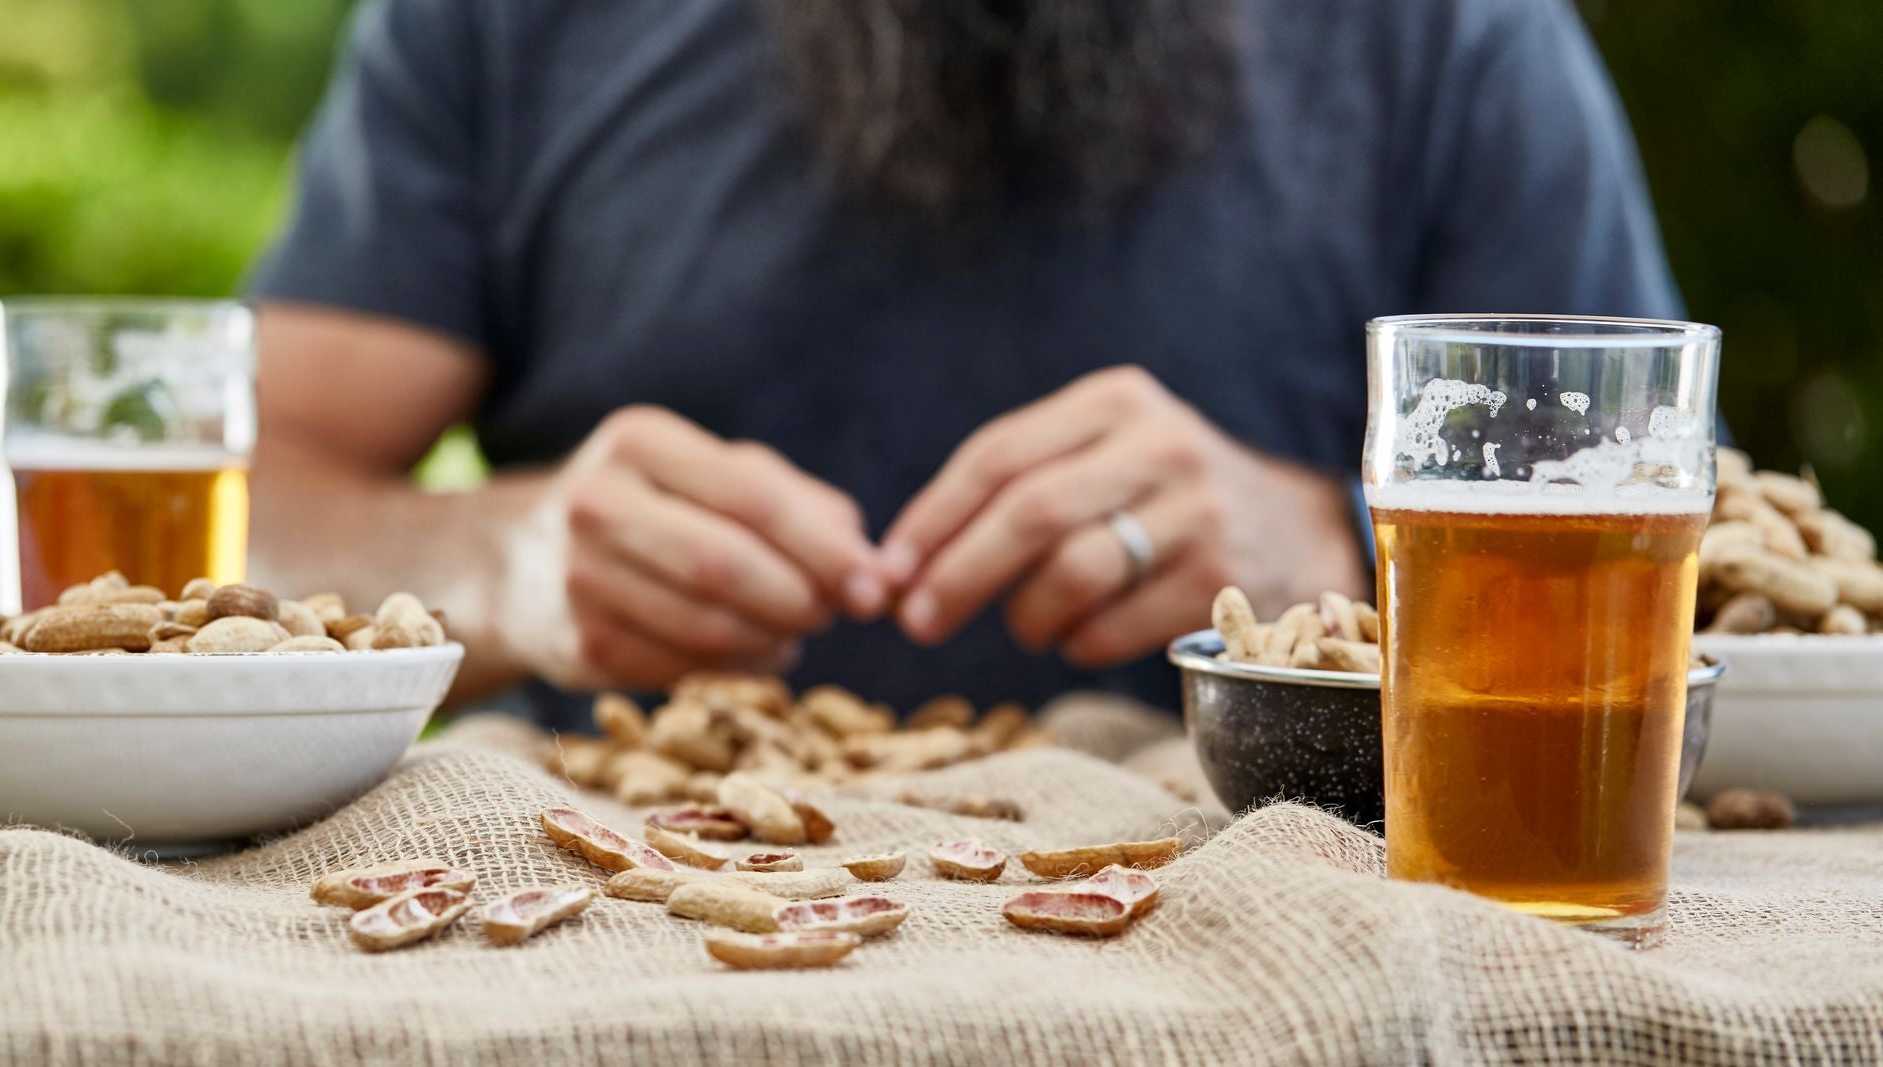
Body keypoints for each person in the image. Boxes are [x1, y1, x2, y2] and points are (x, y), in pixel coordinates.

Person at [246, 0, 1684, 717]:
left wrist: (1332, 561)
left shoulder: (1454, 37)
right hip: (618, 1011)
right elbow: (247, 499)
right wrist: (512, 564)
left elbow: (1685, 577)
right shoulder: (500, 26)